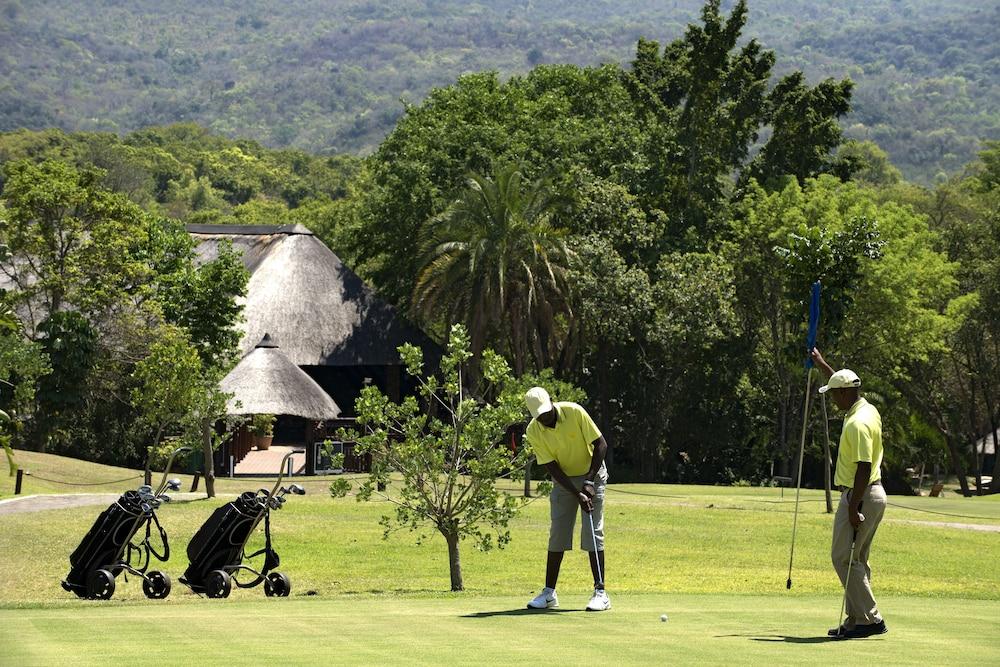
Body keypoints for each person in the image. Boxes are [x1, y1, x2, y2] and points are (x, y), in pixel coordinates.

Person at [811, 348, 888, 639]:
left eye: (833, 395)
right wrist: (822, 365)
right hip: (872, 493)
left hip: (861, 493)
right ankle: (857, 620)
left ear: (844, 394)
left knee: (843, 557)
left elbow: (863, 467)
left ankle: (871, 619)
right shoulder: (866, 408)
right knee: (856, 560)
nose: (832, 400)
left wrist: (854, 507)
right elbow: (840, 382)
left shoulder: (857, 424)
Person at [523, 386, 611, 612]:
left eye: (547, 412)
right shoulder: (534, 431)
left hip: (592, 472)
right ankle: (549, 593)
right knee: (558, 533)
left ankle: (601, 592)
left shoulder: (574, 412)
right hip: (564, 481)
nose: (546, 418)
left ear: (552, 402)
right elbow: (552, 467)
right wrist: (576, 493)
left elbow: (601, 444)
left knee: (592, 531)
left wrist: (589, 482)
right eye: (540, 416)